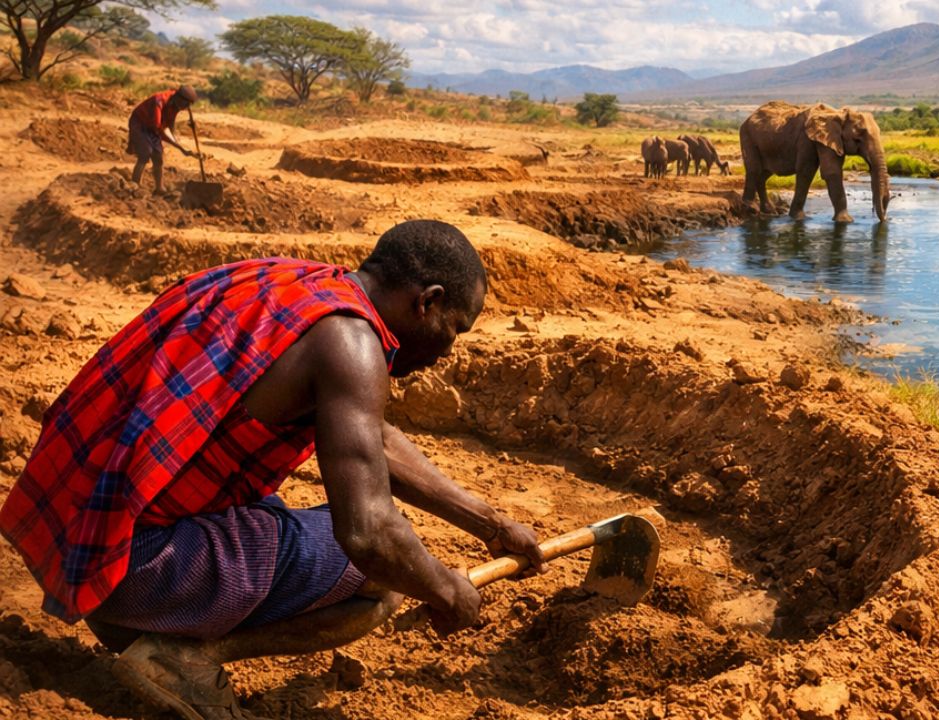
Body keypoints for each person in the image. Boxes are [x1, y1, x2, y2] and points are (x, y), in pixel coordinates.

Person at [0, 220, 546, 720]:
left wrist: (492, 525)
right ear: (427, 302)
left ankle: (164, 628)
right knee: (384, 577)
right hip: (132, 570)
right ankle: (187, 658)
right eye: (456, 329)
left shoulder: (294, 284)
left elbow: (375, 439)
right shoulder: (353, 346)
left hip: (73, 536)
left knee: (289, 520)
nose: (449, 350)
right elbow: (370, 535)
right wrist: (445, 590)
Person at [128, 84, 198, 195]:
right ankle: (135, 185)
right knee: (145, 153)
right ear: (179, 98)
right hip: (140, 123)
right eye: (185, 104)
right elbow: (160, 129)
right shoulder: (159, 101)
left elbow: (170, 125)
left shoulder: (176, 105)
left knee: (158, 157)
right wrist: (180, 148)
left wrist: (179, 143)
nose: (185, 108)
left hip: (154, 127)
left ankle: (159, 188)